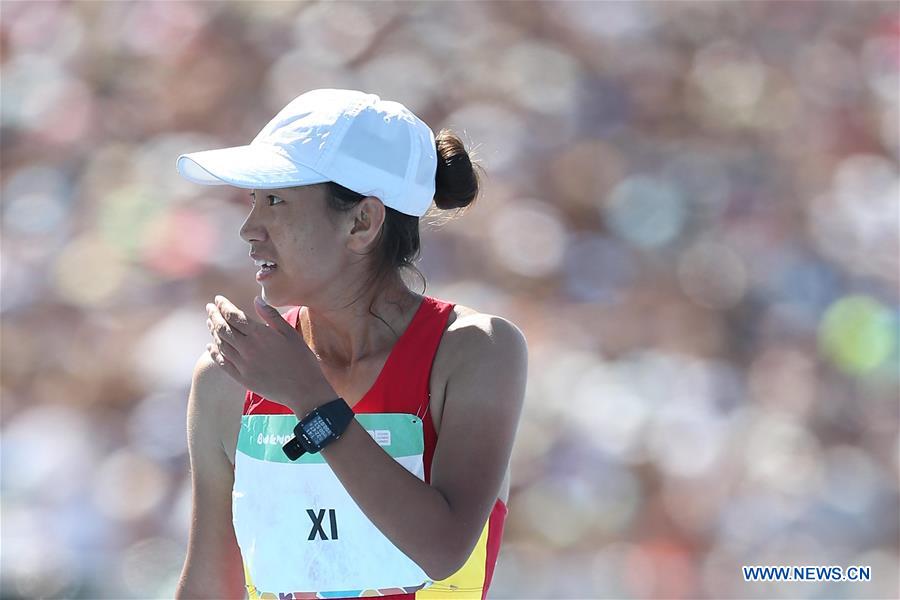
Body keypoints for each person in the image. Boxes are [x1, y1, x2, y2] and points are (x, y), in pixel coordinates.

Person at [173, 89, 528, 600]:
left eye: (275, 201)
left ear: (362, 221)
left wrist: (309, 399)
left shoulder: (476, 350)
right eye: (253, 201)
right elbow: (210, 587)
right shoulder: (227, 378)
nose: (249, 229)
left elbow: (442, 550)